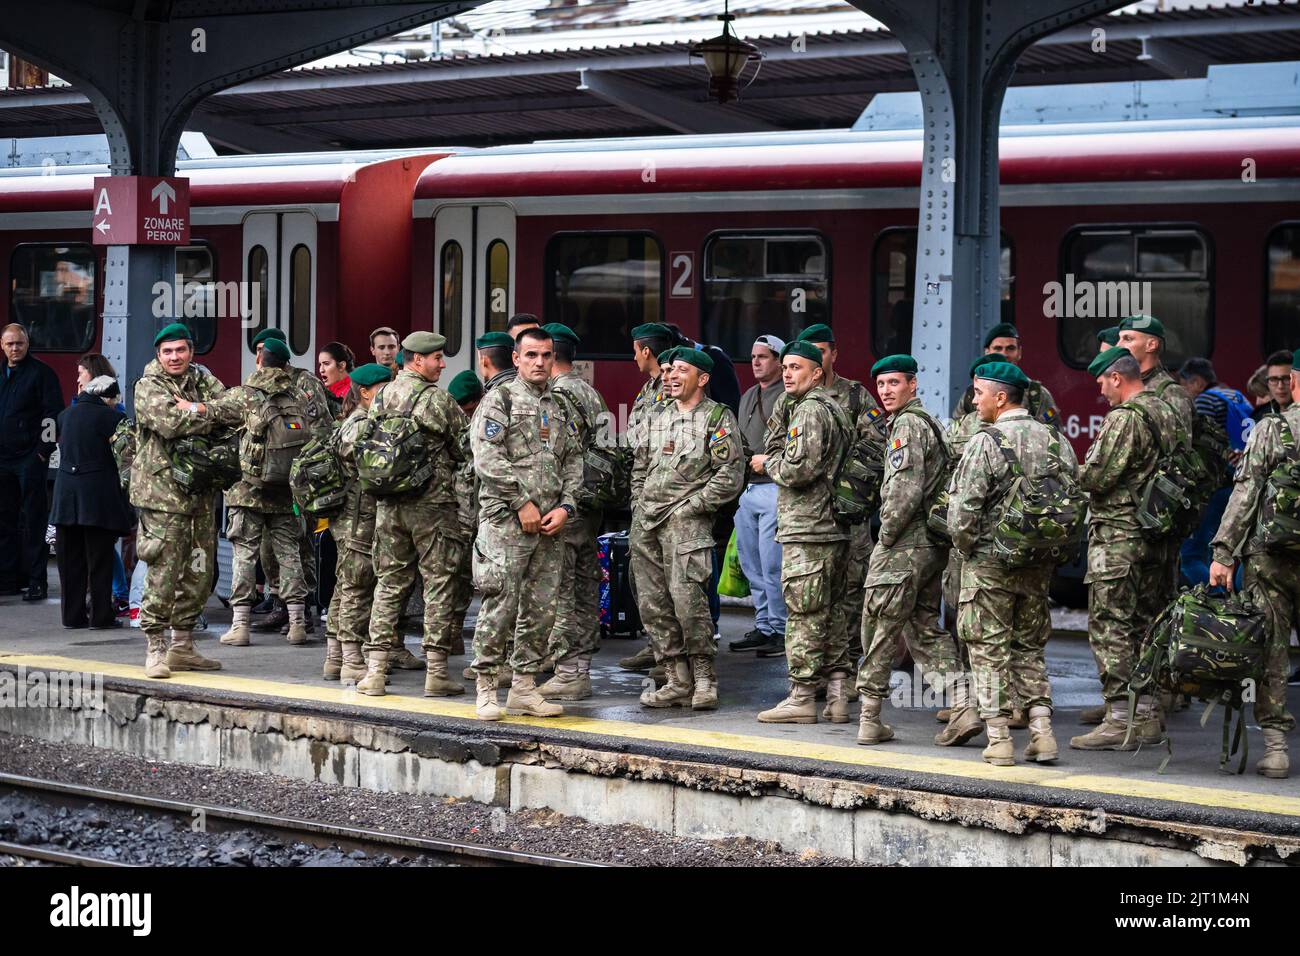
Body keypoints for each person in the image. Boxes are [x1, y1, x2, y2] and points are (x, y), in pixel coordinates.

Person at [947, 362, 1079, 766]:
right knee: (1029, 648)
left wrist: (968, 549)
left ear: (1000, 398)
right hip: (1037, 566)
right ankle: (1042, 734)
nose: (974, 402)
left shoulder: (987, 442)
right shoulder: (1057, 440)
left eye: (978, 394)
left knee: (987, 651)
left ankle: (1000, 739)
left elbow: (962, 514)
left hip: (989, 564)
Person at [855, 354, 980, 748]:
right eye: (881, 384)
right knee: (924, 627)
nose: (886, 391)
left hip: (905, 544)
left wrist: (886, 537)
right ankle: (964, 706)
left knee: (879, 626)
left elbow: (903, 491)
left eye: (894, 383)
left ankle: (868, 718)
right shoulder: (929, 423)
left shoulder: (907, 425)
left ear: (912, 385)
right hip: (931, 546)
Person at [470, 327, 583, 720]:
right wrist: (521, 503)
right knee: (500, 605)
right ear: (516, 358)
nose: (539, 362)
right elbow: (487, 457)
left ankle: (523, 688)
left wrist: (566, 506)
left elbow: (573, 461)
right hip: (506, 523)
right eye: (531, 355)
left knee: (541, 610)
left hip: (550, 525)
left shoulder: (560, 405)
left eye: (546, 355)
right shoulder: (498, 399)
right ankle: (486, 687)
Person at [1070, 347, 1172, 750]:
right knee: (1145, 626)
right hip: (1155, 534)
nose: (1099, 389)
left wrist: (1061, 468)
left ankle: (1119, 720)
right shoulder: (1164, 410)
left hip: (1119, 536)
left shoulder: (1125, 418)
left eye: (1101, 380)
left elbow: (1098, 476)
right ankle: (1146, 715)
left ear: (1117, 377)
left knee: (1111, 625)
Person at [631, 347, 743, 710]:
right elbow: (640, 467)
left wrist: (693, 507)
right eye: (669, 370)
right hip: (646, 523)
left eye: (681, 370)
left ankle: (704, 679)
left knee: (689, 603)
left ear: (702, 379)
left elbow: (730, 475)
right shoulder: (658, 416)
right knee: (653, 604)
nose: (671, 376)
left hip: (686, 526)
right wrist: (637, 504)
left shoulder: (716, 418)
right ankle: (676, 679)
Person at [360, 332, 470, 698]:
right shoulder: (438, 400)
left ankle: (375, 671)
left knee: (389, 584)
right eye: (437, 357)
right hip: (432, 507)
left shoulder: (383, 395)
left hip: (388, 506)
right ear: (417, 360)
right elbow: (464, 448)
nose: (442, 364)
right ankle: (437, 672)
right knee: (439, 583)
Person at [1208, 350, 1300, 779]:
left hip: (1271, 556)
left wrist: (1223, 553)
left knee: (1273, 649)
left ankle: (1276, 748)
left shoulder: (1273, 429)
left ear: (1293, 381)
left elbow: (1245, 494)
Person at [133, 323, 240, 678]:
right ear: (158, 355)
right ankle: (155, 646)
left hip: (200, 491)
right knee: (164, 569)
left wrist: (194, 407)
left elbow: (237, 412)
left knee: (199, 570)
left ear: (191, 352)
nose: (174, 357)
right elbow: (167, 423)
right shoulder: (148, 385)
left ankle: (182, 646)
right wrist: (206, 413)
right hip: (162, 494)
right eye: (167, 351)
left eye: (180, 350)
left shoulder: (202, 380)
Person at [752, 340, 851, 723]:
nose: (789, 374)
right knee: (834, 613)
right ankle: (838, 696)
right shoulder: (836, 408)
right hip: (834, 526)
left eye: (797, 368)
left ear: (817, 373)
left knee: (804, 613)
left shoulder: (809, 411)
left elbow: (798, 470)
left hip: (808, 527)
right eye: (787, 367)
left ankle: (802, 696)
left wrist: (766, 462)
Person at [787, 324, 887, 683]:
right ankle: (829, 677)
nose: (817, 357)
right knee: (815, 598)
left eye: (822, 351)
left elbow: (877, 446)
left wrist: (844, 473)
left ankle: (847, 671)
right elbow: (774, 443)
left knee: (850, 591)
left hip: (848, 511)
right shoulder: (791, 400)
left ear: (832, 355)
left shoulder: (856, 395)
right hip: (812, 514)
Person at [217, 336, 332, 647]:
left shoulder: (244, 394)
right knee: (290, 553)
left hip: (248, 489)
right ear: (285, 364)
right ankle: (297, 623)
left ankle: (240, 625)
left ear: (260, 360)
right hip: (286, 489)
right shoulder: (298, 392)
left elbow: (214, 419)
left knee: (244, 553)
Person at [538, 323, 610, 701]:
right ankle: (579, 669)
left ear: (552, 356)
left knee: (563, 590)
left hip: (565, 505)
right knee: (584, 587)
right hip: (590, 503)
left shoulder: (556, 397)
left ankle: (567, 671)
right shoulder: (591, 393)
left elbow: (554, 455)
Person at [248, 328, 335, 638]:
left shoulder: (304, 382)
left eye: (265, 351)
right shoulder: (256, 384)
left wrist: (307, 469)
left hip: (299, 477)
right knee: (268, 546)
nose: (261, 357)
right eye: (258, 350)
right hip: (268, 478)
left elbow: (321, 428)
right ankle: (279, 602)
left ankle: (303, 606)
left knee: (299, 545)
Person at [323, 363, 391, 683]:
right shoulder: (359, 423)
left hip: (360, 519)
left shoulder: (363, 420)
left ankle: (335, 656)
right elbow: (364, 458)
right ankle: (350, 659)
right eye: (383, 388)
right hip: (356, 521)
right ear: (365, 392)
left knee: (346, 584)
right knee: (356, 585)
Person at [51, 374, 135, 629]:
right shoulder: (114, 418)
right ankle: (100, 616)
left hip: (65, 497)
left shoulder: (65, 416)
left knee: (70, 561)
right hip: (98, 498)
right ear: (108, 397)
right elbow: (125, 459)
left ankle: (72, 616)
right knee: (99, 560)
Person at [618, 322, 677, 674]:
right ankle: (656, 644)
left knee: (666, 579)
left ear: (645, 351)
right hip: (644, 493)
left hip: (664, 495)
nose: (634, 357)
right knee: (643, 576)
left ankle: (670, 653)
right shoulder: (648, 390)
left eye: (636, 350)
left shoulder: (671, 388)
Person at [730, 334, 788, 654]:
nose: (755, 362)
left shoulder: (789, 396)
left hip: (775, 487)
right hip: (748, 488)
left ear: (778, 361)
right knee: (752, 564)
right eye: (753, 356)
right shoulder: (748, 395)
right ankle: (763, 624)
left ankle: (780, 628)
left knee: (772, 564)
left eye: (763, 357)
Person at [0, 323, 63, 601]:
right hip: (2, 460)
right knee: (4, 522)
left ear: (27, 344)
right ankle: (8, 579)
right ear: (2, 346)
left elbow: (53, 414)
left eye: (20, 344)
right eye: (10, 344)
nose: (15, 348)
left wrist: (42, 451)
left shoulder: (42, 374)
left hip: (29, 459)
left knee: (34, 520)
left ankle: (37, 581)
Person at [1178, 357, 1252, 588]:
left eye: (1185, 384)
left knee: (1191, 556)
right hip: (1239, 483)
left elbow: (1197, 444)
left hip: (1217, 486)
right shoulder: (1237, 396)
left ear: (1198, 382)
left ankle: (1217, 599)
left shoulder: (1206, 400)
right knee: (1220, 553)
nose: (1184, 390)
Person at [75, 353, 129, 613]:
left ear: (93, 375)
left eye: (81, 373)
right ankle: (112, 593)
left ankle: (118, 593)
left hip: (105, 482)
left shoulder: (112, 409)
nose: (77, 378)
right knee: (98, 544)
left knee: (103, 544)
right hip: (92, 481)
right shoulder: (86, 403)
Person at [952, 323, 1060, 428]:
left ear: (1019, 353)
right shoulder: (970, 396)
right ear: (987, 352)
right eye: (998, 348)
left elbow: (1054, 437)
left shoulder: (1037, 395)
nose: (1004, 354)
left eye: (1010, 348)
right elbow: (955, 437)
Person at [447, 370, 484, 664]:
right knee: (457, 574)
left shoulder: (489, 418)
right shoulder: (456, 426)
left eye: (467, 409)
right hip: (460, 514)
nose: (464, 414)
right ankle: (454, 633)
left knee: (488, 579)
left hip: (485, 515)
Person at [318, 341, 355, 418]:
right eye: (320, 364)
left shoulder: (353, 392)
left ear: (341, 366)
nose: (321, 370)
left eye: (326, 364)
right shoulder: (325, 391)